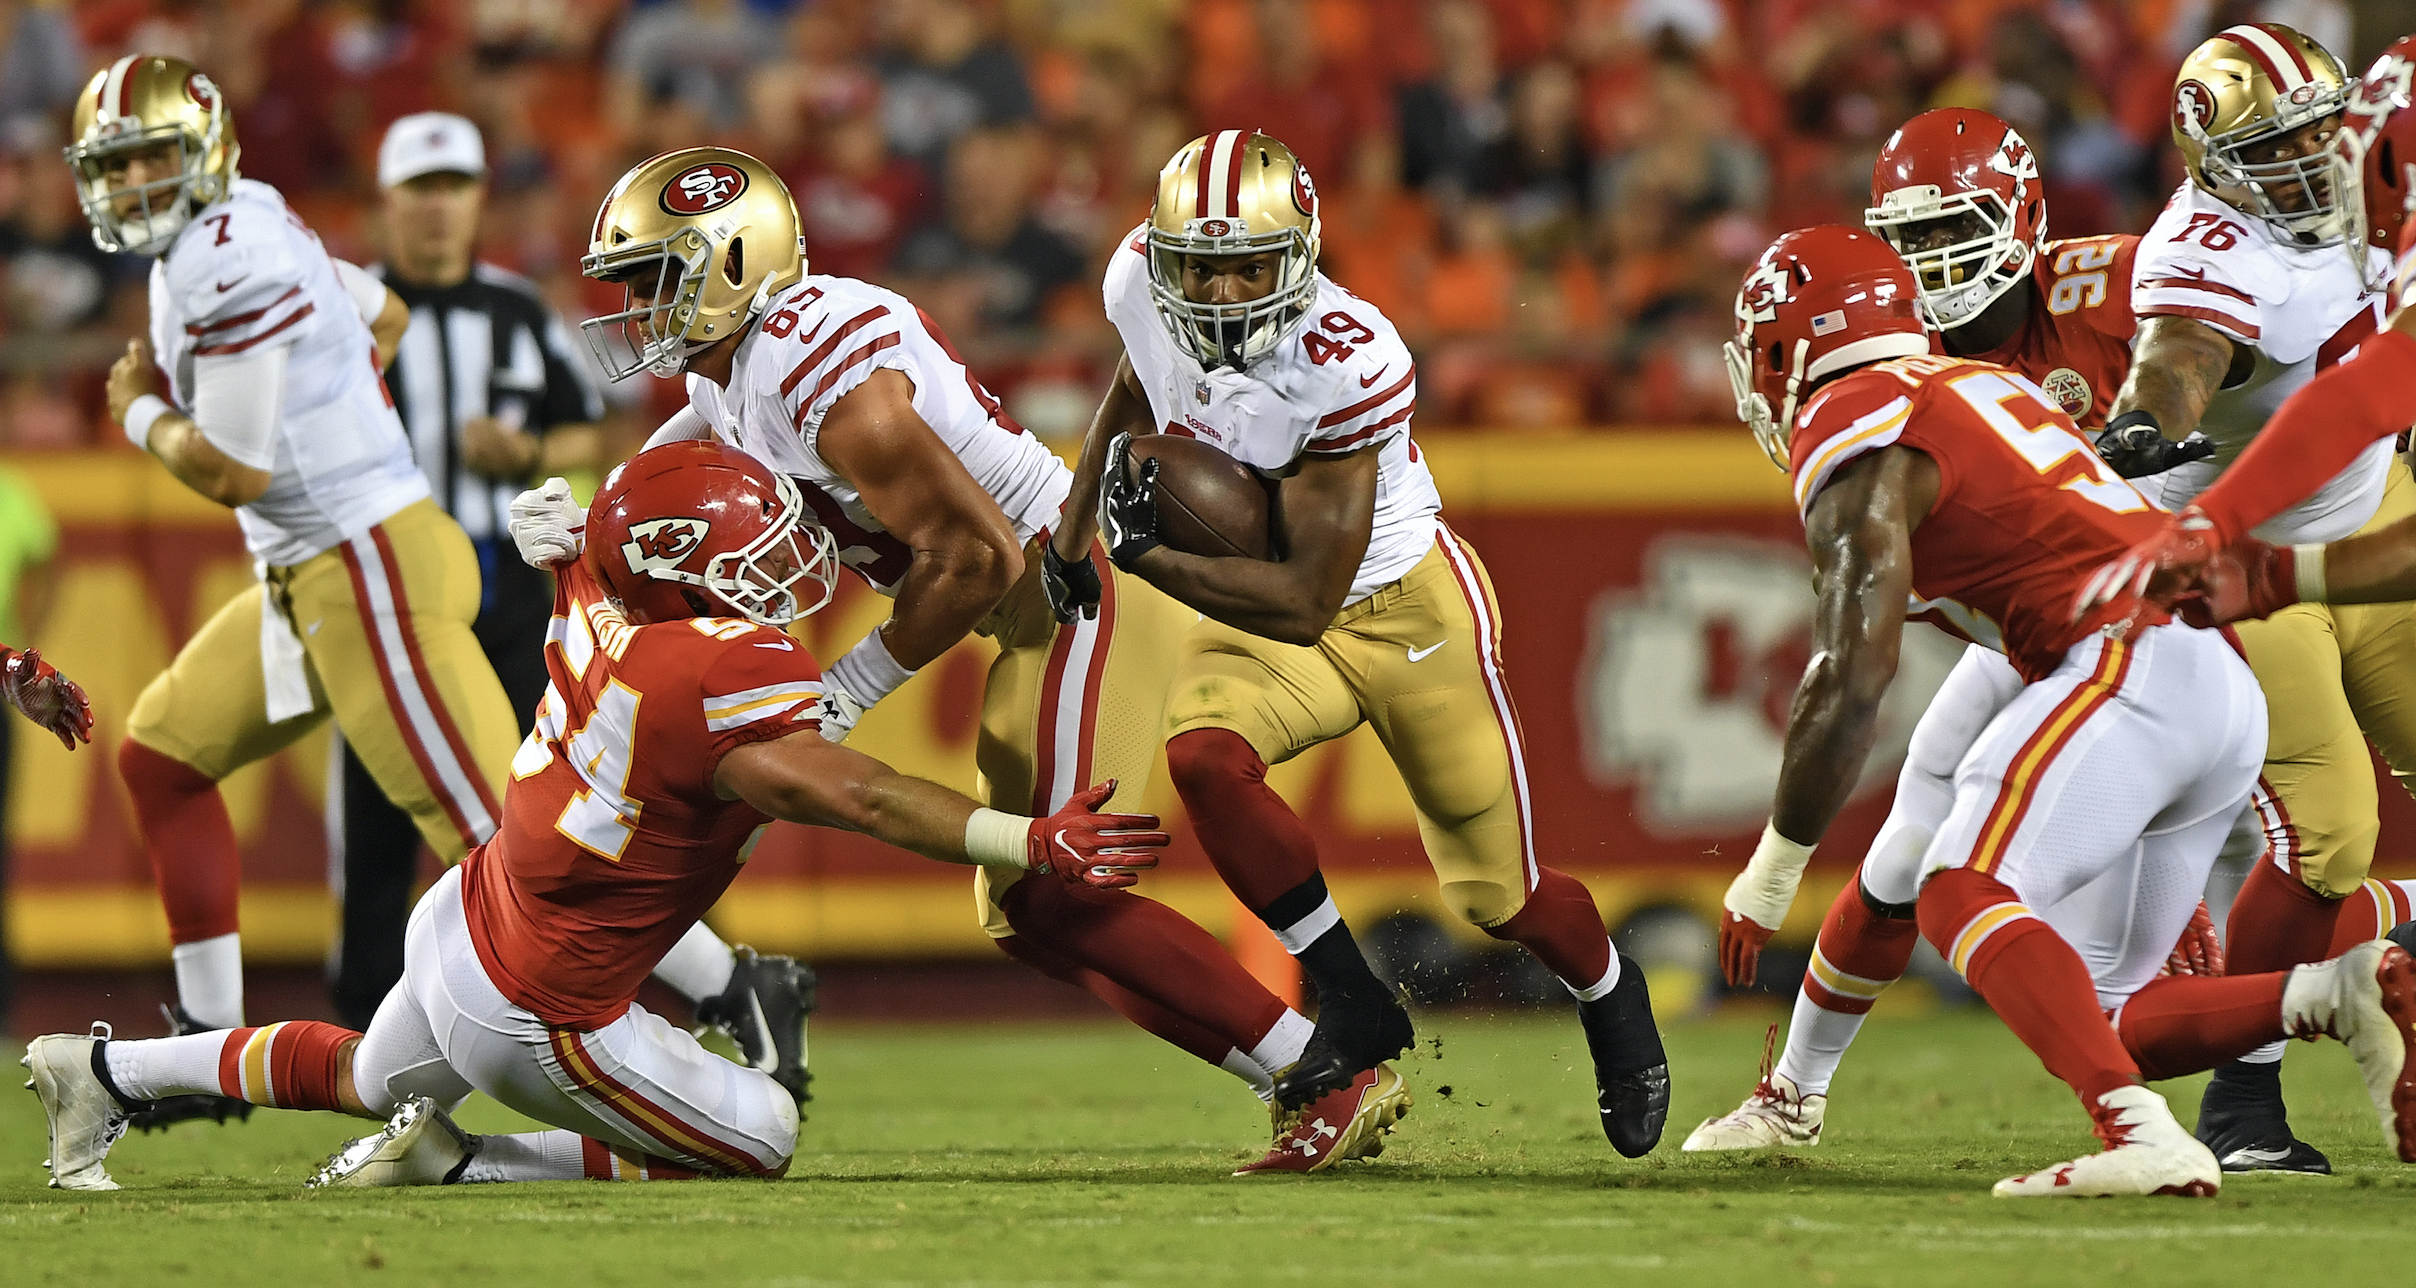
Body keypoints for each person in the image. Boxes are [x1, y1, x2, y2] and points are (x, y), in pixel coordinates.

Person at [26, 442, 1167, 1192]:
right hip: (544, 1004)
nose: (778, 574)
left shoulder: (601, 591)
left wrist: (571, 526)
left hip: (471, 910)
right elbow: (859, 792)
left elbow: (597, 535)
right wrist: (1026, 836)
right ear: (684, 576)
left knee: (368, 1080)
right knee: (761, 1133)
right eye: (750, 559)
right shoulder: (710, 675)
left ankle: (107, 1073)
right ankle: (461, 1165)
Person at [581, 146, 1401, 1174]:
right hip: (1032, 605)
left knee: (1052, 889)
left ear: (735, 264)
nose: (637, 304)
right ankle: (1301, 1071)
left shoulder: (807, 361)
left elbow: (975, 555)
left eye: (658, 276)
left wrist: (852, 687)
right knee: (1026, 913)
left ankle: (1328, 1070)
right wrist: (592, 515)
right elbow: (705, 431)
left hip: (1071, 584)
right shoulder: (751, 366)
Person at [1717, 222, 2416, 1197]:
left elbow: (1851, 672)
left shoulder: (1859, 414)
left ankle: (2142, 1139)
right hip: (2202, 668)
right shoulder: (1981, 387)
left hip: (2120, 651)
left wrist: (1771, 868)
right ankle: (2334, 990)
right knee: (2111, 1012)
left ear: (1791, 345)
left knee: (1957, 887)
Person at [1047, 129, 1669, 1153]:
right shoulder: (1135, 283)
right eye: (1198, 265)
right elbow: (1136, 382)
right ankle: (1348, 992)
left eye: (1248, 262)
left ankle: (1608, 986)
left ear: (1302, 254)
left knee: (1497, 895)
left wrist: (1142, 556)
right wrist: (1074, 530)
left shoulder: (1351, 355)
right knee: (1203, 753)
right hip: (1268, 609)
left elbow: (1302, 599)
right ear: (1160, 257)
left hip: (1398, 611)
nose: (1220, 289)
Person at [1686, 109, 2209, 1152]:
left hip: (2182, 617)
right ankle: (1792, 1092)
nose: (1930, 264)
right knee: (1905, 857)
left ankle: (2309, 1018)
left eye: (1949, 231)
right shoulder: (1907, 352)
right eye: (1907, 241)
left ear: (2019, 217)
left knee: (2151, 965)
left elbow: (2247, 336)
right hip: (2052, 635)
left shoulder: (2123, 284)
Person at [332, 113, 816, 1095]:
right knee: (404, 824)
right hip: (389, 590)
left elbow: (579, 433)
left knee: (534, 813)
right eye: (419, 188)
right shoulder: (349, 315)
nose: (437, 206)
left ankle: (691, 991)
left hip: (511, 589)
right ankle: (386, 1037)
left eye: (454, 185)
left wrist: (525, 461)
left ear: (476, 198)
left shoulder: (515, 311)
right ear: (388, 204)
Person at [2084, 22, 2410, 1174]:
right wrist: (2144, 423)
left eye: (2325, 133)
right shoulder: (2206, 249)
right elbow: (2178, 356)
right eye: (2281, 143)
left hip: (2370, 509)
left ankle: (2387, 943)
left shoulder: (2380, 188)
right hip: (2245, 562)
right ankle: (2244, 1096)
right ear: (2209, 158)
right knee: (2331, 839)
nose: (2315, 160)